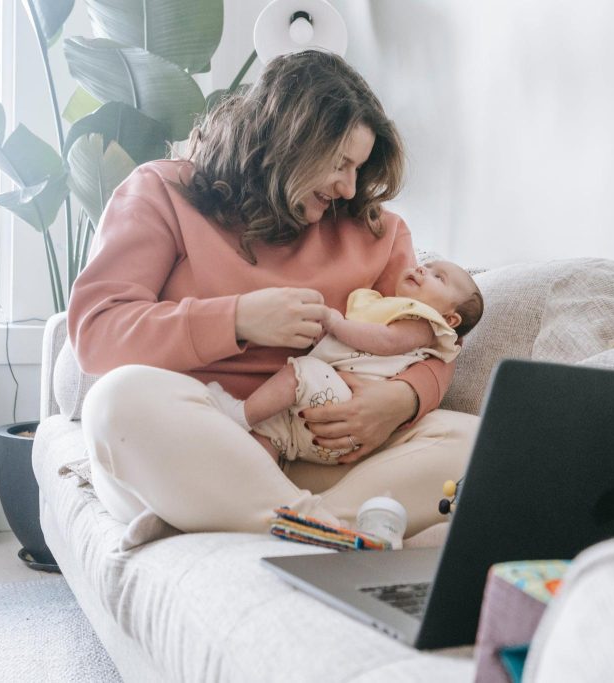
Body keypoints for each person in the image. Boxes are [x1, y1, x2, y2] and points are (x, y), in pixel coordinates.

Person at [68, 50, 481, 539]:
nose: (349, 187)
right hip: (191, 442)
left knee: (476, 440)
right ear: (288, 141)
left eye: (359, 168)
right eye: (339, 163)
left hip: (315, 451)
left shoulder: (379, 232)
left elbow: (427, 340)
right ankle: (315, 524)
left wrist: (402, 399)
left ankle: (275, 521)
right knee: (117, 403)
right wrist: (237, 319)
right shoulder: (162, 191)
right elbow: (97, 333)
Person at [209, 259, 484, 466]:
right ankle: (262, 488)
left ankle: (239, 414)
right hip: (323, 419)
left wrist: (336, 324)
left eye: (439, 277)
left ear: (450, 320)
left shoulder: (423, 325)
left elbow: (386, 341)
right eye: (426, 265)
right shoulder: (390, 307)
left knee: (301, 371)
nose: (423, 270)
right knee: (270, 434)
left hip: (349, 410)